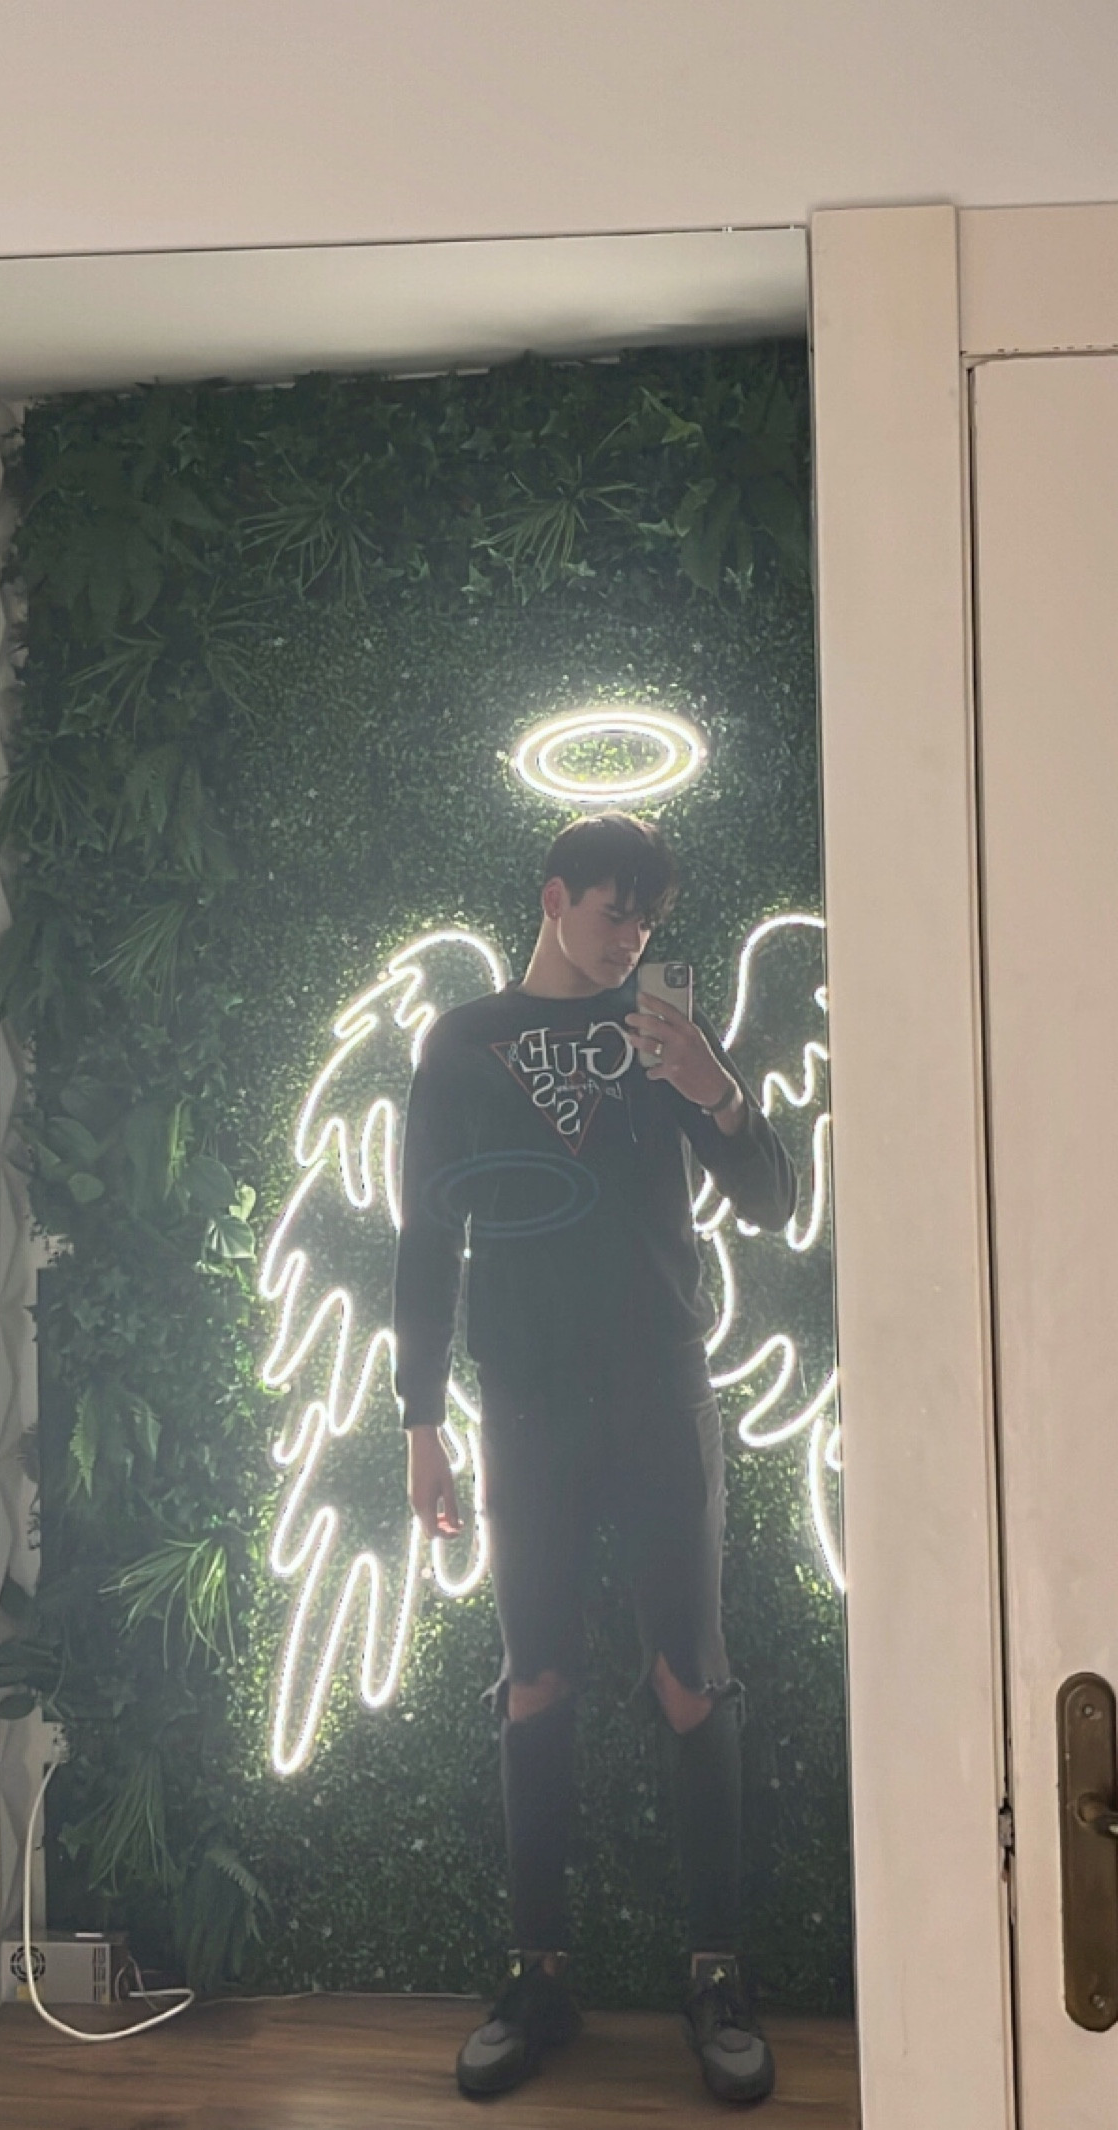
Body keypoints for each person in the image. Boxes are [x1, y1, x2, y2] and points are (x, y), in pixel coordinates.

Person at [392, 810, 797, 2106]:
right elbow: (424, 1238)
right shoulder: (462, 1042)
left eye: (649, 922)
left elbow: (774, 1199)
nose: (632, 939)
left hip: (661, 1397)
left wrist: (711, 1087)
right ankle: (539, 1975)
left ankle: (717, 1974)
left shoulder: (661, 1036)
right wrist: (419, 1419)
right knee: (536, 1683)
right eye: (617, 912)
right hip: (524, 1407)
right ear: (556, 897)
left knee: (691, 1680)